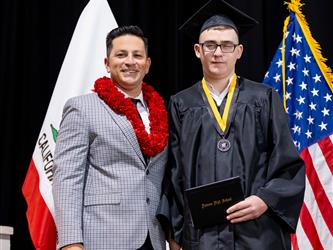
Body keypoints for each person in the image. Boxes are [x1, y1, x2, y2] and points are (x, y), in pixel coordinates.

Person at [157, 0, 305, 249]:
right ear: (197, 50)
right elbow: (174, 174)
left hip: (257, 233)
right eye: (210, 45)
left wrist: (265, 199)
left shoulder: (264, 98)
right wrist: (176, 233)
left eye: (226, 45)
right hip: (201, 237)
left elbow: (287, 162)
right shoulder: (181, 104)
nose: (217, 53)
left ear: (239, 51)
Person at [52, 25, 168, 250]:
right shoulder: (82, 108)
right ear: (107, 63)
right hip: (103, 236)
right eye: (121, 55)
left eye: (137, 55)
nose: (130, 61)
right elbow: (67, 178)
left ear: (147, 64)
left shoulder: (160, 110)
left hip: (153, 237)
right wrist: (70, 241)